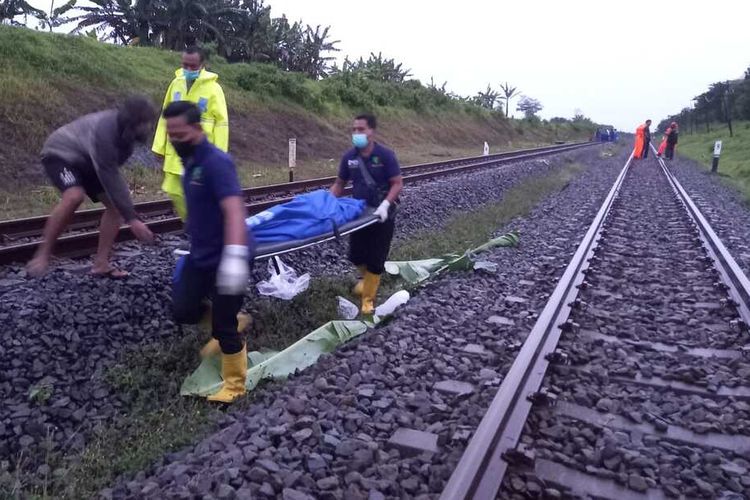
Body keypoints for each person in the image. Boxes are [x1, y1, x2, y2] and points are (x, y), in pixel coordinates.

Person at [165, 101, 251, 404]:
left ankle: (235, 386)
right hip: (200, 254)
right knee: (183, 309)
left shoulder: (216, 162)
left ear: (197, 129)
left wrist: (235, 257)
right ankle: (232, 318)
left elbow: (234, 211)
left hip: (228, 255)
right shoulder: (190, 162)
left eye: (179, 133)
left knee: (224, 327)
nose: (174, 139)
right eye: (170, 133)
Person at [27, 96, 156, 278]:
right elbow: (110, 175)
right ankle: (42, 255)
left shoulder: (128, 137)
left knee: (115, 206)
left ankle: (101, 264)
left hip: (90, 161)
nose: (149, 128)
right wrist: (132, 219)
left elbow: (111, 176)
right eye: (145, 124)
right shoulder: (106, 132)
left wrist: (126, 212)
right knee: (74, 196)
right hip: (61, 155)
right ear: (132, 123)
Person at [329, 114, 404, 315]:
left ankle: (368, 302)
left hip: (382, 214)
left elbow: (397, 183)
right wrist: (327, 203)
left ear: (371, 131)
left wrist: (386, 205)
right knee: (356, 255)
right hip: (360, 215)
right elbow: (339, 183)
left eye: (361, 129)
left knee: (376, 259)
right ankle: (367, 282)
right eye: (354, 129)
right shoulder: (349, 158)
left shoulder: (385, 155)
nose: (356, 133)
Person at [152, 46, 229, 221]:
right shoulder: (176, 83)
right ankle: (192, 224)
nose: (188, 70)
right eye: (185, 65)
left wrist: (219, 154)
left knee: (198, 191)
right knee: (173, 189)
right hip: (176, 150)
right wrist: (159, 146)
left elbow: (222, 123)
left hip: (201, 151)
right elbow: (165, 114)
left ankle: (201, 226)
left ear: (203, 65)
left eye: (193, 66)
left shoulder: (214, 89)